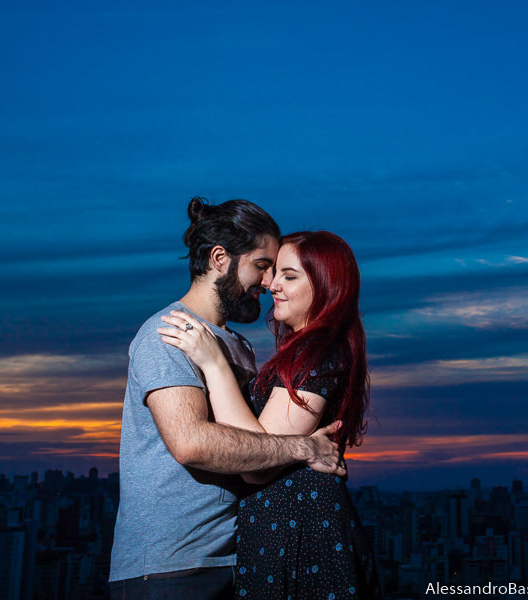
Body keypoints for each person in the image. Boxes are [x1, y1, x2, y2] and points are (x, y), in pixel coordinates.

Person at [109, 199, 347, 600]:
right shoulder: (167, 334)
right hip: (170, 567)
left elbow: (251, 439)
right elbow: (191, 443)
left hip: (229, 560)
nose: (269, 281)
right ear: (220, 259)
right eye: (261, 265)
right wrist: (305, 447)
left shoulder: (237, 346)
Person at [160, 230, 381, 600]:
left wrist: (215, 364)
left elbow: (257, 463)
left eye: (289, 276)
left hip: (299, 527)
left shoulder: (319, 350)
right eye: (274, 272)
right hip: (280, 523)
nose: (272, 284)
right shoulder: (306, 349)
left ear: (326, 286)